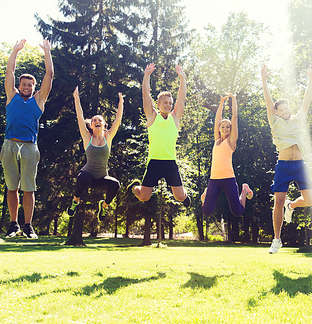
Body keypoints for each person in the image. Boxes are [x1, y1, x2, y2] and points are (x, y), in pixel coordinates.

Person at [261, 64, 312, 254]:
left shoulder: (299, 118)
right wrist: (264, 80)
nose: (285, 111)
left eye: (287, 108)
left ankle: (291, 205)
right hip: (283, 166)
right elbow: (268, 102)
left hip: (300, 165)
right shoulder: (274, 121)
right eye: (281, 109)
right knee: (277, 201)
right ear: (277, 112)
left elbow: (307, 101)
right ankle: (276, 239)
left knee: (310, 200)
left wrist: (311, 79)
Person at [3, 39, 54, 239]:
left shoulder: (39, 100)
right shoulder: (11, 96)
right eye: (23, 84)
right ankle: (13, 225)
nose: (26, 87)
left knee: (28, 188)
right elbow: (9, 73)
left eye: (30, 85)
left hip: (30, 147)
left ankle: (27, 226)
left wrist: (47, 52)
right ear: (19, 86)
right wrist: (15, 51)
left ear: (33, 87)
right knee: (11, 187)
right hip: (9, 144)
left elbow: (49, 75)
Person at [128, 63, 191, 207]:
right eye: (165, 103)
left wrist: (182, 78)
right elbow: (145, 96)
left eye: (170, 103)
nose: (168, 105)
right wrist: (147, 76)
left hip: (170, 162)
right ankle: (135, 187)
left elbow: (181, 98)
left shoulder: (175, 118)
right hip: (154, 162)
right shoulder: (152, 117)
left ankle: (184, 195)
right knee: (144, 197)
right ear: (158, 104)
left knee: (180, 197)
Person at [66, 87, 123, 221]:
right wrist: (76, 98)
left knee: (115, 185)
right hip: (88, 176)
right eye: (94, 121)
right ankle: (75, 201)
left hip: (102, 178)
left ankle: (103, 206)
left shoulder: (108, 137)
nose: (97, 122)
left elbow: (118, 120)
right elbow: (80, 116)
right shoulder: (87, 137)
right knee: (82, 178)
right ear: (91, 126)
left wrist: (121, 102)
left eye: (100, 121)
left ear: (104, 125)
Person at [201, 93, 253, 217]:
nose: (225, 129)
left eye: (228, 127)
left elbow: (234, 117)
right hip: (214, 180)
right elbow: (217, 119)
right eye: (223, 126)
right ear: (219, 128)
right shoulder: (217, 140)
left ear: (230, 129)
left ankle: (244, 190)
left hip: (228, 179)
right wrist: (222, 102)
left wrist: (234, 99)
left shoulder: (231, 141)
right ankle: (206, 193)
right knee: (206, 211)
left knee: (238, 212)